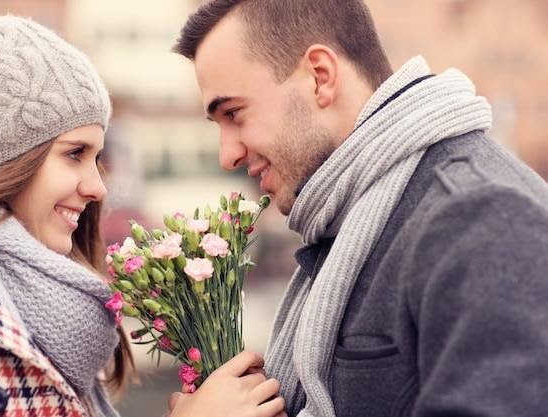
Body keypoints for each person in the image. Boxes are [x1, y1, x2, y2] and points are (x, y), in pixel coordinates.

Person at [172, 1, 548, 416]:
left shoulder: (481, 219)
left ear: (320, 77)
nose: (228, 155)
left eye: (234, 113)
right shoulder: (345, 223)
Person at [0, 15, 283, 417]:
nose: (98, 187)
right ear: (1, 159)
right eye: (74, 153)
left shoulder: (41, 302)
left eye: (96, 157)